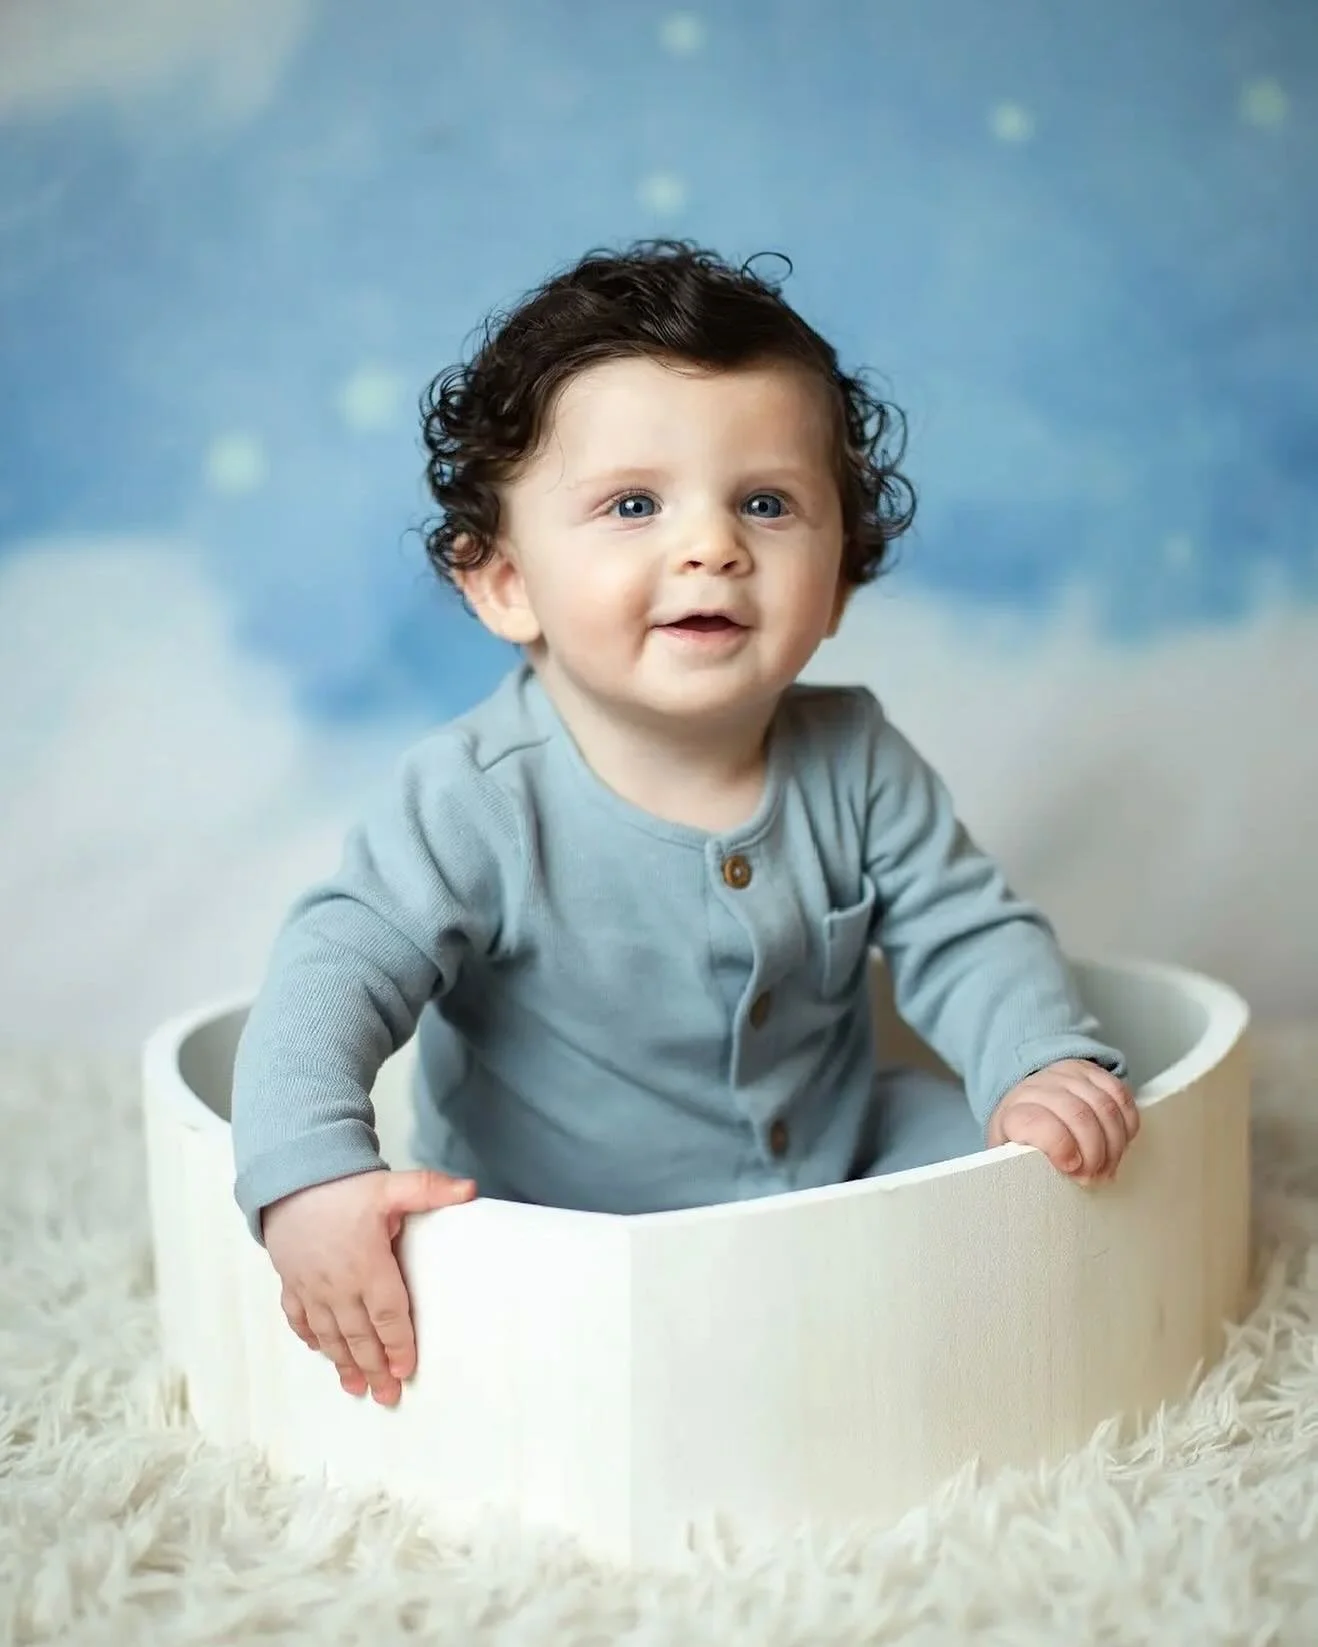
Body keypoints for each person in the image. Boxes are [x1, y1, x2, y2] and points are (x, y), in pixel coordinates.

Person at [230, 239, 1136, 1411]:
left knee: (1032, 1167)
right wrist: (309, 1178)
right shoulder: (474, 797)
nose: (711, 545)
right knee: (492, 1291)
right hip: (562, 1216)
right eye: (632, 504)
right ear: (503, 580)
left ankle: (929, 1341)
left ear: (841, 580)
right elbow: (332, 975)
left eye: (766, 502)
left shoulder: (854, 754)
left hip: (832, 1159)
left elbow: (968, 932)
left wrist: (1037, 1065)